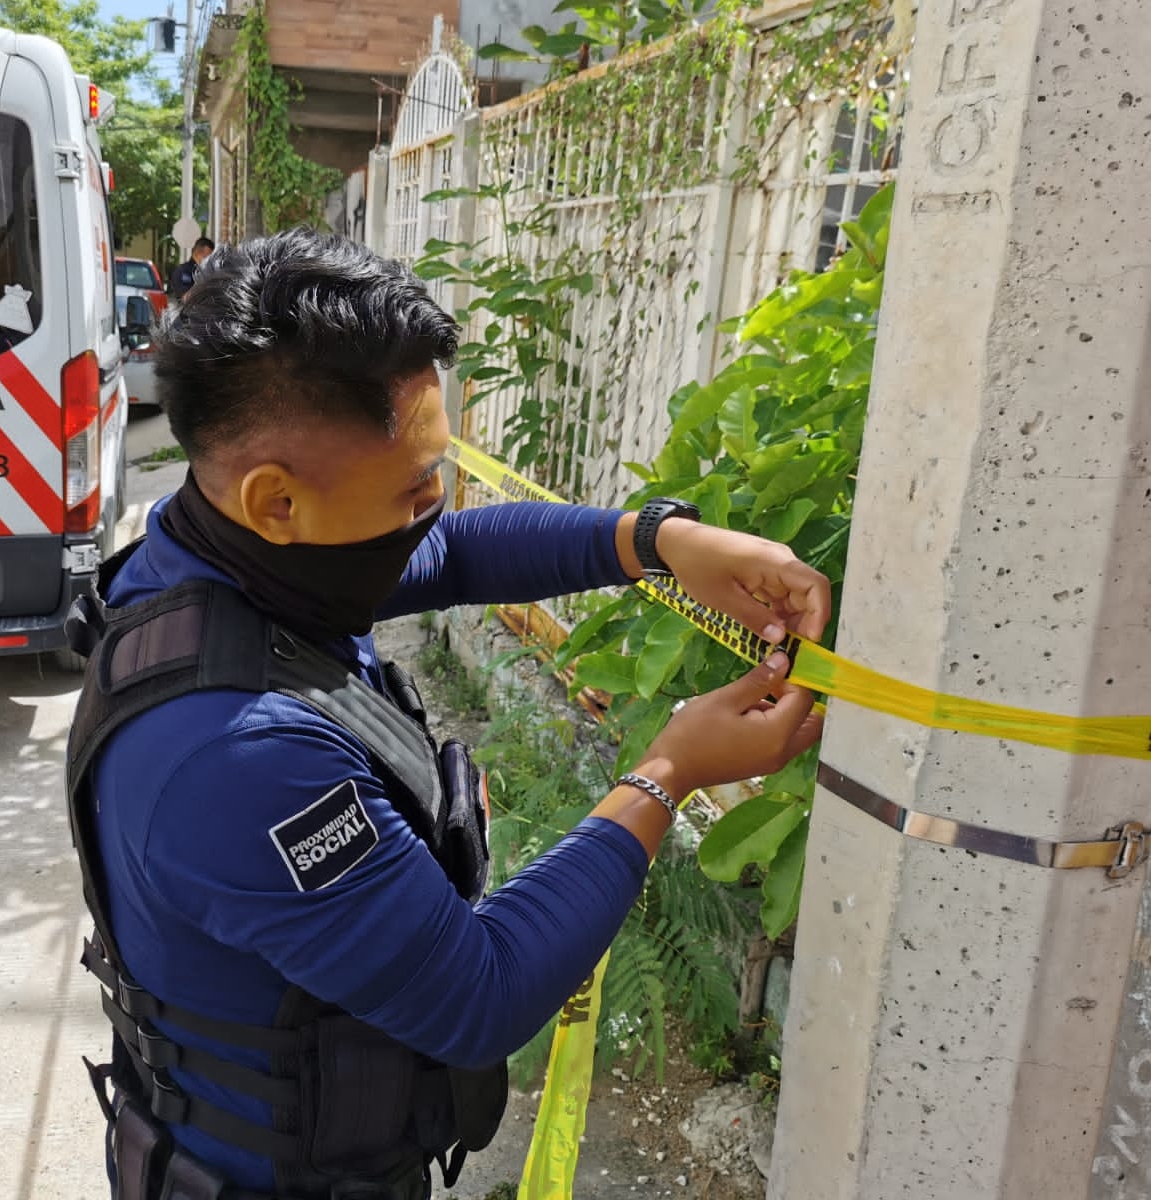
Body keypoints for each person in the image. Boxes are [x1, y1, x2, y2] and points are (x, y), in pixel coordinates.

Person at [64, 230, 827, 1200]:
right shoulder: (238, 757)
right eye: (416, 489)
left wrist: (660, 541)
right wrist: (665, 773)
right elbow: (480, 995)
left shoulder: (220, 554)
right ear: (277, 501)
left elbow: (456, 555)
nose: (434, 510)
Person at [168, 236, 215, 302]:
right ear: (198, 254)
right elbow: (186, 298)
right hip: (183, 311)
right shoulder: (184, 271)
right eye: (208, 257)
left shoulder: (204, 272)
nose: (210, 261)